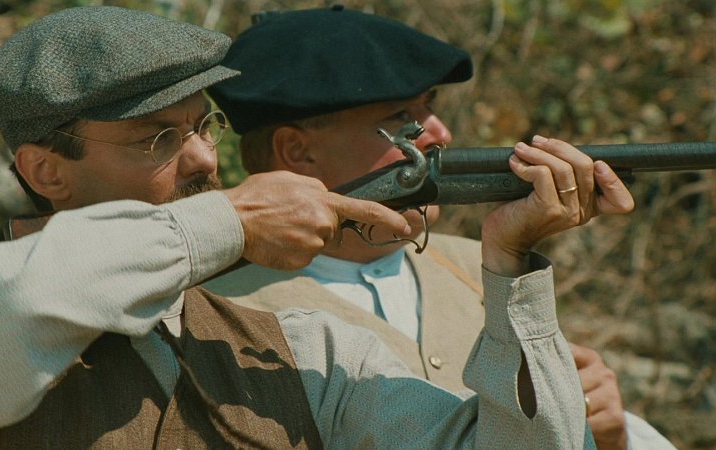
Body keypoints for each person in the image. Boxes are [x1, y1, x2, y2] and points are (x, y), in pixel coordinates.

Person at [0, 5, 615, 450]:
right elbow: (30, 293)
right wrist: (233, 219)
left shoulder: (301, 345)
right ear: (46, 172)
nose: (206, 158)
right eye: (157, 139)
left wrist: (511, 265)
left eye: (202, 126)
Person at [205, 6, 674, 450]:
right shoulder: (215, 310)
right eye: (400, 117)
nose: (441, 133)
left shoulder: (482, 266)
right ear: (297, 151)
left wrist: (609, 436)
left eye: (429, 105)